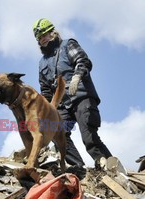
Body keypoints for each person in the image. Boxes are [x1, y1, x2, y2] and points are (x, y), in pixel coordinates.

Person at [32, 18, 112, 179]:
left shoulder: (68, 44)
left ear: (53, 33)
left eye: (46, 35)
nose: (44, 39)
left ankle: (109, 167)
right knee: (56, 133)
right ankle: (78, 168)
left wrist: (76, 77)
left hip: (81, 96)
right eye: (40, 38)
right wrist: (46, 108)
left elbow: (82, 60)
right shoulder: (42, 63)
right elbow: (46, 89)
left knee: (88, 135)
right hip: (62, 104)